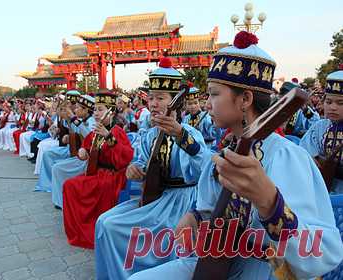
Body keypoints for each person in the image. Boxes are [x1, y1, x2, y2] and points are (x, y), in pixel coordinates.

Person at [128, 31, 343, 280]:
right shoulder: (226, 154)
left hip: (268, 270)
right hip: (220, 262)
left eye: (214, 94)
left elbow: (325, 254)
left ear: (245, 99)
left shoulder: (286, 157)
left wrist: (271, 204)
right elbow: (209, 208)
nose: (207, 103)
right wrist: (195, 216)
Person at [95, 57, 206, 280]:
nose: (153, 104)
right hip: (156, 197)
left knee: (115, 226)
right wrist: (133, 169)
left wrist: (180, 136)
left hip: (183, 201)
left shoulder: (190, 133)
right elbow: (138, 161)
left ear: (176, 102)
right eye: (151, 98)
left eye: (161, 98)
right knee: (104, 223)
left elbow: (202, 167)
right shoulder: (151, 134)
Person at [63, 89, 134, 249]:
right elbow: (86, 147)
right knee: (70, 185)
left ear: (111, 111)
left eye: (100, 109)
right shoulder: (96, 131)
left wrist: (109, 137)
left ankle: (92, 230)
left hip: (112, 175)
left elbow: (126, 157)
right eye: (95, 109)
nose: (96, 113)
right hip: (98, 173)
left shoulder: (117, 131)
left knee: (83, 187)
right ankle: (80, 228)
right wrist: (83, 152)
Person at [300, 65, 343, 193]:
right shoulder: (320, 127)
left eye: (340, 103)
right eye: (329, 102)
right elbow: (304, 152)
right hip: (323, 191)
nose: (333, 107)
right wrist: (310, 159)